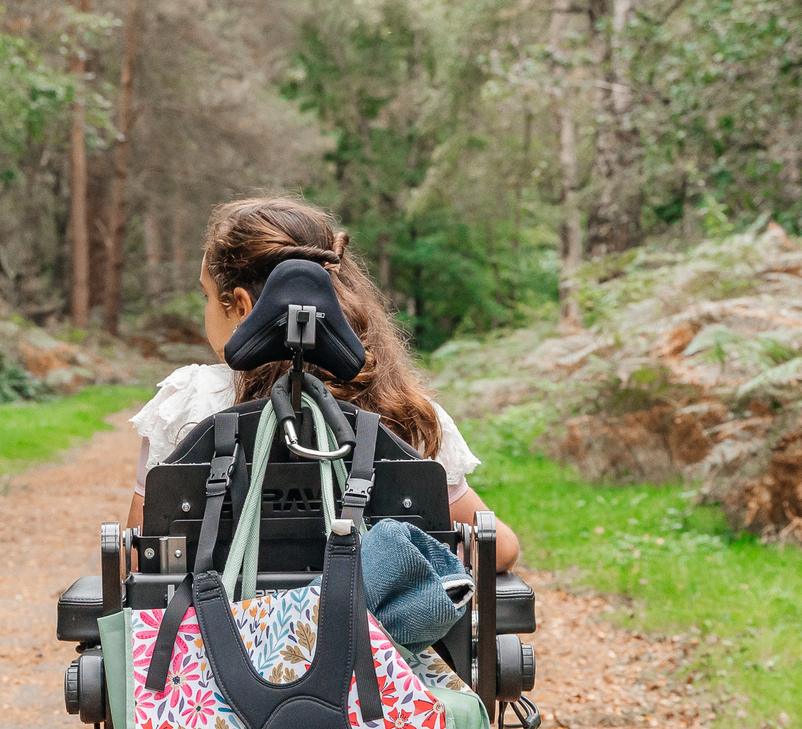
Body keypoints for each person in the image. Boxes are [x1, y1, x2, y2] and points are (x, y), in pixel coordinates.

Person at [126, 195, 523, 572]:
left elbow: (138, 558)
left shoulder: (189, 402)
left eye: (207, 296)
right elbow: (499, 549)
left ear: (242, 307)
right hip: (365, 623)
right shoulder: (401, 410)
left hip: (218, 620)